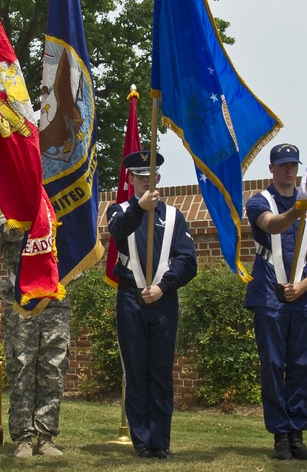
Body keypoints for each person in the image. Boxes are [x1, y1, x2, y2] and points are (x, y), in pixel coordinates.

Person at [245, 143, 307, 461]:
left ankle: (297, 434)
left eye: (293, 164)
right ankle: (280, 435)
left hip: (304, 295)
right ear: (271, 169)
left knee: (302, 366)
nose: (288, 169)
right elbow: (272, 225)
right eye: (282, 164)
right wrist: (298, 208)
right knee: (272, 364)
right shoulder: (259, 201)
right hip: (269, 291)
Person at [106, 150, 197, 460]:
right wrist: (137, 207)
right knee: (136, 370)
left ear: (158, 178)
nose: (146, 181)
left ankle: (161, 442)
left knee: (160, 370)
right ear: (130, 179)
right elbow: (118, 232)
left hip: (163, 299)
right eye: (140, 176)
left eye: (151, 176)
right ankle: (141, 441)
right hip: (130, 297)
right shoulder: (118, 210)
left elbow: (188, 261)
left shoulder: (174, 216)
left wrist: (163, 287)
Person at [0, 218, 69, 458]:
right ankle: (24, 438)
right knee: (21, 369)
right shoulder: (10, 217)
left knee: (53, 370)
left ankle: (46, 437)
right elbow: (10, 234)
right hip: (22, 301)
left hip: (55, 301)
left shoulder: (61, 217)